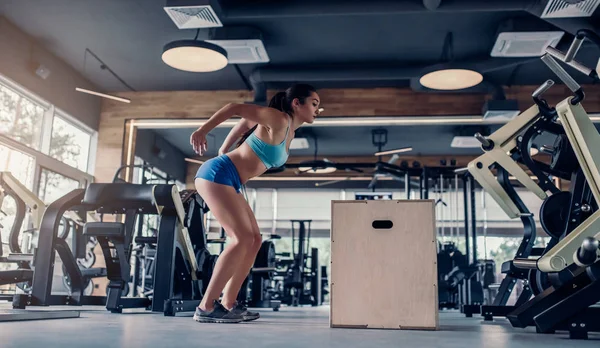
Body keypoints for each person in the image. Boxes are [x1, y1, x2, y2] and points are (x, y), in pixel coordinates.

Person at [189, 84, 321, 323]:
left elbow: (246, 123)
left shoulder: (288, 130)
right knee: (240, 239)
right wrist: (203, 130)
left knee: (255, 240)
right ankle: (206, 307)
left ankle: (229, 304)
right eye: (314, 103)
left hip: (231, 179)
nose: (317, 109)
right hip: (218, 174)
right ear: (296, 103)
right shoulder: (279, 119)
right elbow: (234, 108)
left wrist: (224, 147)